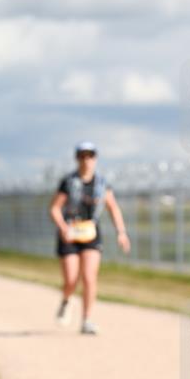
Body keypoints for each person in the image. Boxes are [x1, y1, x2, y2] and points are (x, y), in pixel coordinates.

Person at [48, 141, 130, 334]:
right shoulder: (68, 182)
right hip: (70, 232)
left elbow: (113, 208)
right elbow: (54, 208)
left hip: (91, 233)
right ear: (77, 158)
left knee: (89, 277)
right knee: (71, 278)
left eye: (90, 156)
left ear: (95, 158)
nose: (87, 160)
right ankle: (66, 300)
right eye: (83, 156)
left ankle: (86, 320)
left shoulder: (102, 184)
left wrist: (121, 232)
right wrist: (63, 227)